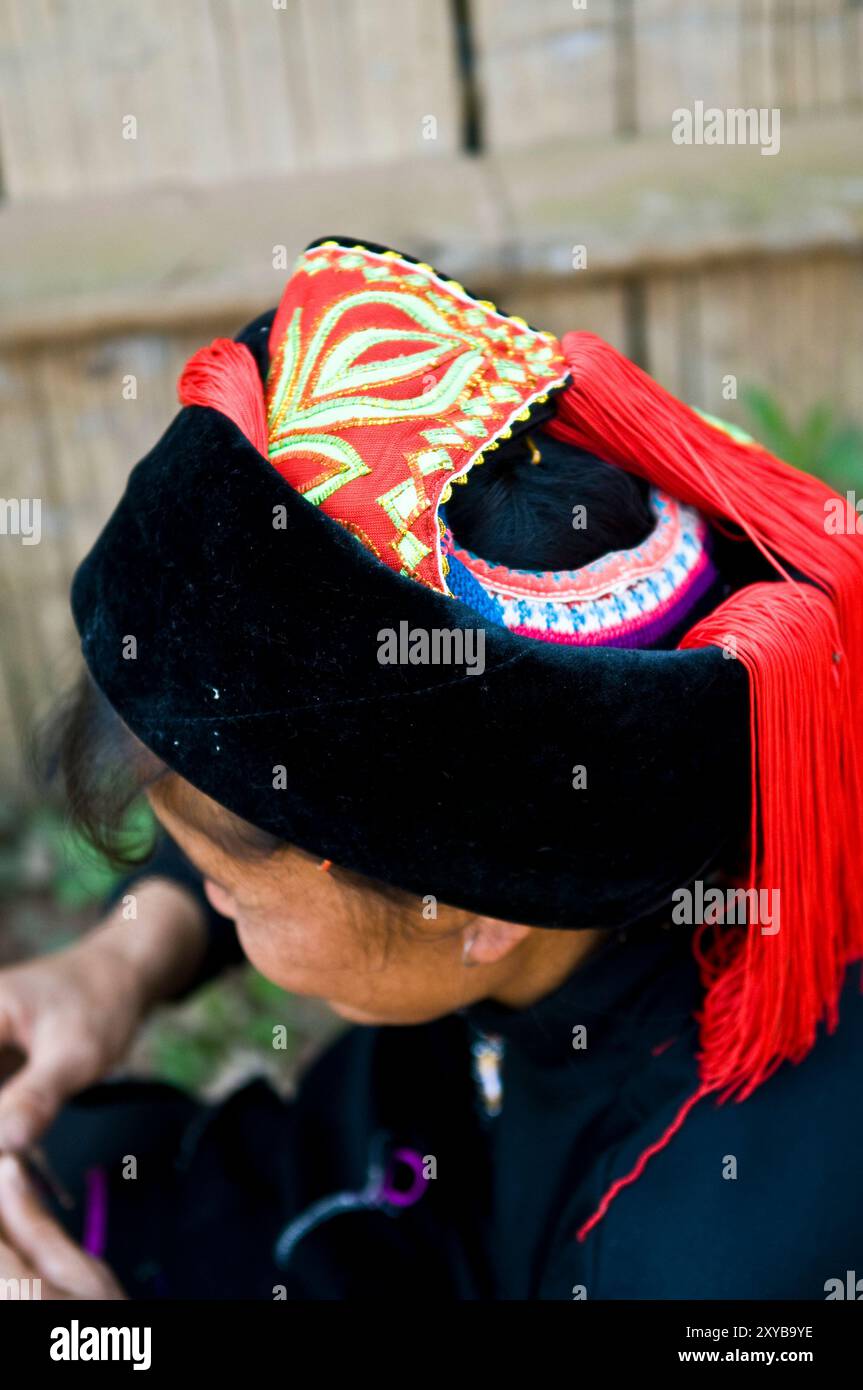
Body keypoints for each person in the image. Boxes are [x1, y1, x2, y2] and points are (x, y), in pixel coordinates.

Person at [1, 237, 862, 1301]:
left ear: (475, 905)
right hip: (399, 1189)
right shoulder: (573, 813)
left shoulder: (697, 1259)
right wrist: (117, 964)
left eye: (224, 887)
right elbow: (271, 804)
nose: (207, 899)